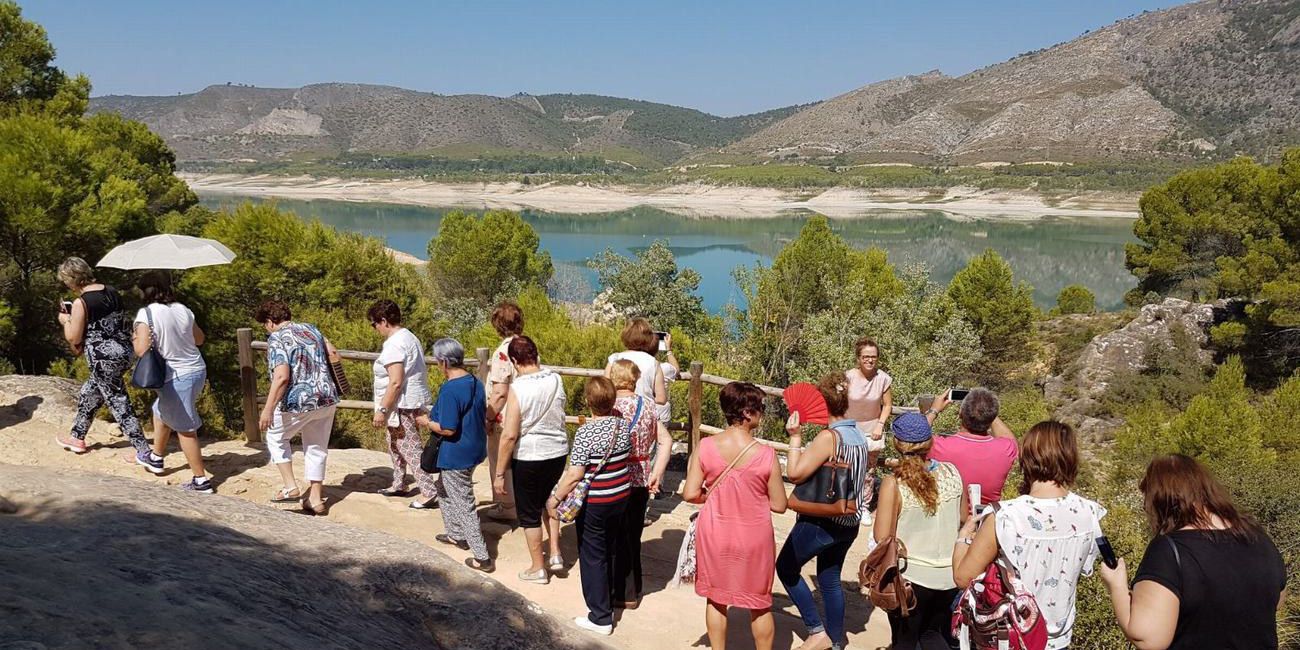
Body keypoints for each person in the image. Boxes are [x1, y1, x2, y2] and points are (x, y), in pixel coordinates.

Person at [1100, 454, 1287, 650]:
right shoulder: (1257, 536)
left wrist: (1117, 587)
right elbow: (1276, 601)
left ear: (1160, 500)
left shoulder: (1170, 551)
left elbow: (1147, 638)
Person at [953, 421, 1104, 650]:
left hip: (1010, 637)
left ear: (1028, 458)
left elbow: (963, 578)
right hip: (1058, 639)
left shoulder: (1006, 516)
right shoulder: (1090, 513)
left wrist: (964, 537)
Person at [683, 382, 787, 650]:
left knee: (715, 599)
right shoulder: (766, 455)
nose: (762, 413)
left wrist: (714, 497)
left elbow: (690, 493)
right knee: (759, 604)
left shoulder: (706, 446)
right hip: (754, 538)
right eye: (761, 408)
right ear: (748, 412)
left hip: (715, 533)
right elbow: (779, 504)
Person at [777, 374, 874, 650]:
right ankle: (835, 641)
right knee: (830, 578)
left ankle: (815, 630)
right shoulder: (858, 435)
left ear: (822, 403)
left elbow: (794, 473)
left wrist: (795, 438)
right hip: (849, 521)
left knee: (786, 567)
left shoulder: (829, 437)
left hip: (823, 521)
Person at [53, 257, 158, 473]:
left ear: (72, 279)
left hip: (103, 358)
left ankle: (143, 451)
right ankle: (77, 437)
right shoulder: (111, 291)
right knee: (89, 392)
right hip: (124, 352)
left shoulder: (82, 302)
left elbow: (74, 337)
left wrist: (65, 320)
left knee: (118, 402)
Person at [873, 412, 967, 650]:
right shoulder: (952, 473)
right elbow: (964, 517)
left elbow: (882, 537)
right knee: (933, 635)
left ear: (896, 443)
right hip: (949, 576)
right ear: (930, 442)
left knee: (904, 641)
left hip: (911, 577)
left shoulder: (893, 484)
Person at [550, 376, 633, 636]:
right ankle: (608, 599)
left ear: (588, 402)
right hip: (621, 495)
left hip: (597, 501)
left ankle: (600, 617)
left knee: (592, 555)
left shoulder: (586, 432)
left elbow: (575, 474)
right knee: (609, 549)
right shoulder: (622, 425)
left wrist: (554, 499)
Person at [494, 335, 569, 584]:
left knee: (529, 514)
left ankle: (537, 567)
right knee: (551, 501)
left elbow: (510, 434)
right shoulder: (556, 379)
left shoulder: (518, 388)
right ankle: (556, 553)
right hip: (558, 451)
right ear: (536, 354)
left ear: (514, 361)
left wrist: (500, 472)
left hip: (530, 456)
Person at [255, 300, 339, 515]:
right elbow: (333, 353)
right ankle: (316, 499)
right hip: (327, 397)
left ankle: (290, 486)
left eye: (265, 324)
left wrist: (267, 408)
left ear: (270, 322)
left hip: (298, 401)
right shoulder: (312, 328)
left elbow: (281, 376)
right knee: (317, 447)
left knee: (275, 436)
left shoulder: (277, 338)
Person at [416, 338, 492, 573]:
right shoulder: (475, 382)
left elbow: (448, 428)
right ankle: (456, 534)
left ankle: (482, 556)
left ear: (443, 362)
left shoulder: (450, 389)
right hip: (474, 448)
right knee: (443, 489)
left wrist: (426, 421)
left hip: (455, 454)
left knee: (463, 502)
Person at [132, 271, 210, 493]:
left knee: (185, 428)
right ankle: (156, 456)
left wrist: (136, 337)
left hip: (175, 376)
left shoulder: (146, 314)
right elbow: (199, 339)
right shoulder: (183, 309)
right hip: (196, 369)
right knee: (161, 410)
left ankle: (201, 480)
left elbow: (141, 350)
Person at [608, 359, 672, 609]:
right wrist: (656, 471)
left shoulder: (610, 406)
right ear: (635, 379)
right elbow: (665, 442)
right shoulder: (647, 405)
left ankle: (617, 590)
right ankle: (633, 590)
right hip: (642, 474)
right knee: (633, 534)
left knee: (613, 535)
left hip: (616, 474)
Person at [368, 299, 437, 510]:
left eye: (374, 324)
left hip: (402, 403)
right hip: (408, 400)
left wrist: (382, 410)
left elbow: (396, 381)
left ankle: (428, 491)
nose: (375, 329)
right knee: (394, 443)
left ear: (383, 321)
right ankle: (399, 483)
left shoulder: (395, 344)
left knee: (409, 446)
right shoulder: (409, 337)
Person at [925, 387, 1017, 507]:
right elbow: (1010, 439)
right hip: (987, 519)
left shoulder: (940, 447)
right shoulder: (1006, 449)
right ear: (992, 416)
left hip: (950, 518)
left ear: (960, 414)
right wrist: (986, 408)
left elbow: (914, 438)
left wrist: (934, 410)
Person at [484, 301, 525, 522]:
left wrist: (489, 416)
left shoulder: (503, 352)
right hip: (525, 412)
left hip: (505, 415)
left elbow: (499, 391)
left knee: (501, 458)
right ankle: (520, 502)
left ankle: (508, 505)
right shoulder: (528, 345)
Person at [605, 317, 668, 411]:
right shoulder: (653, 362)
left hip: (616, 412)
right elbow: (661, 398)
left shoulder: (614, 359)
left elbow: (605, 389)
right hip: (643, 412)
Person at [844, 337, 893, 443]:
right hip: (849, 428)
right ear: (858, 358)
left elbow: (887, 405)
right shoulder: (848, 377)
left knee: (871, 459)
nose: (870, 360)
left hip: (873, 430)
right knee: (848, 459)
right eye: (866, 357)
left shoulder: (883, 379)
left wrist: (880, 425)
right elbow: (837, 402)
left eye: (873, 357)